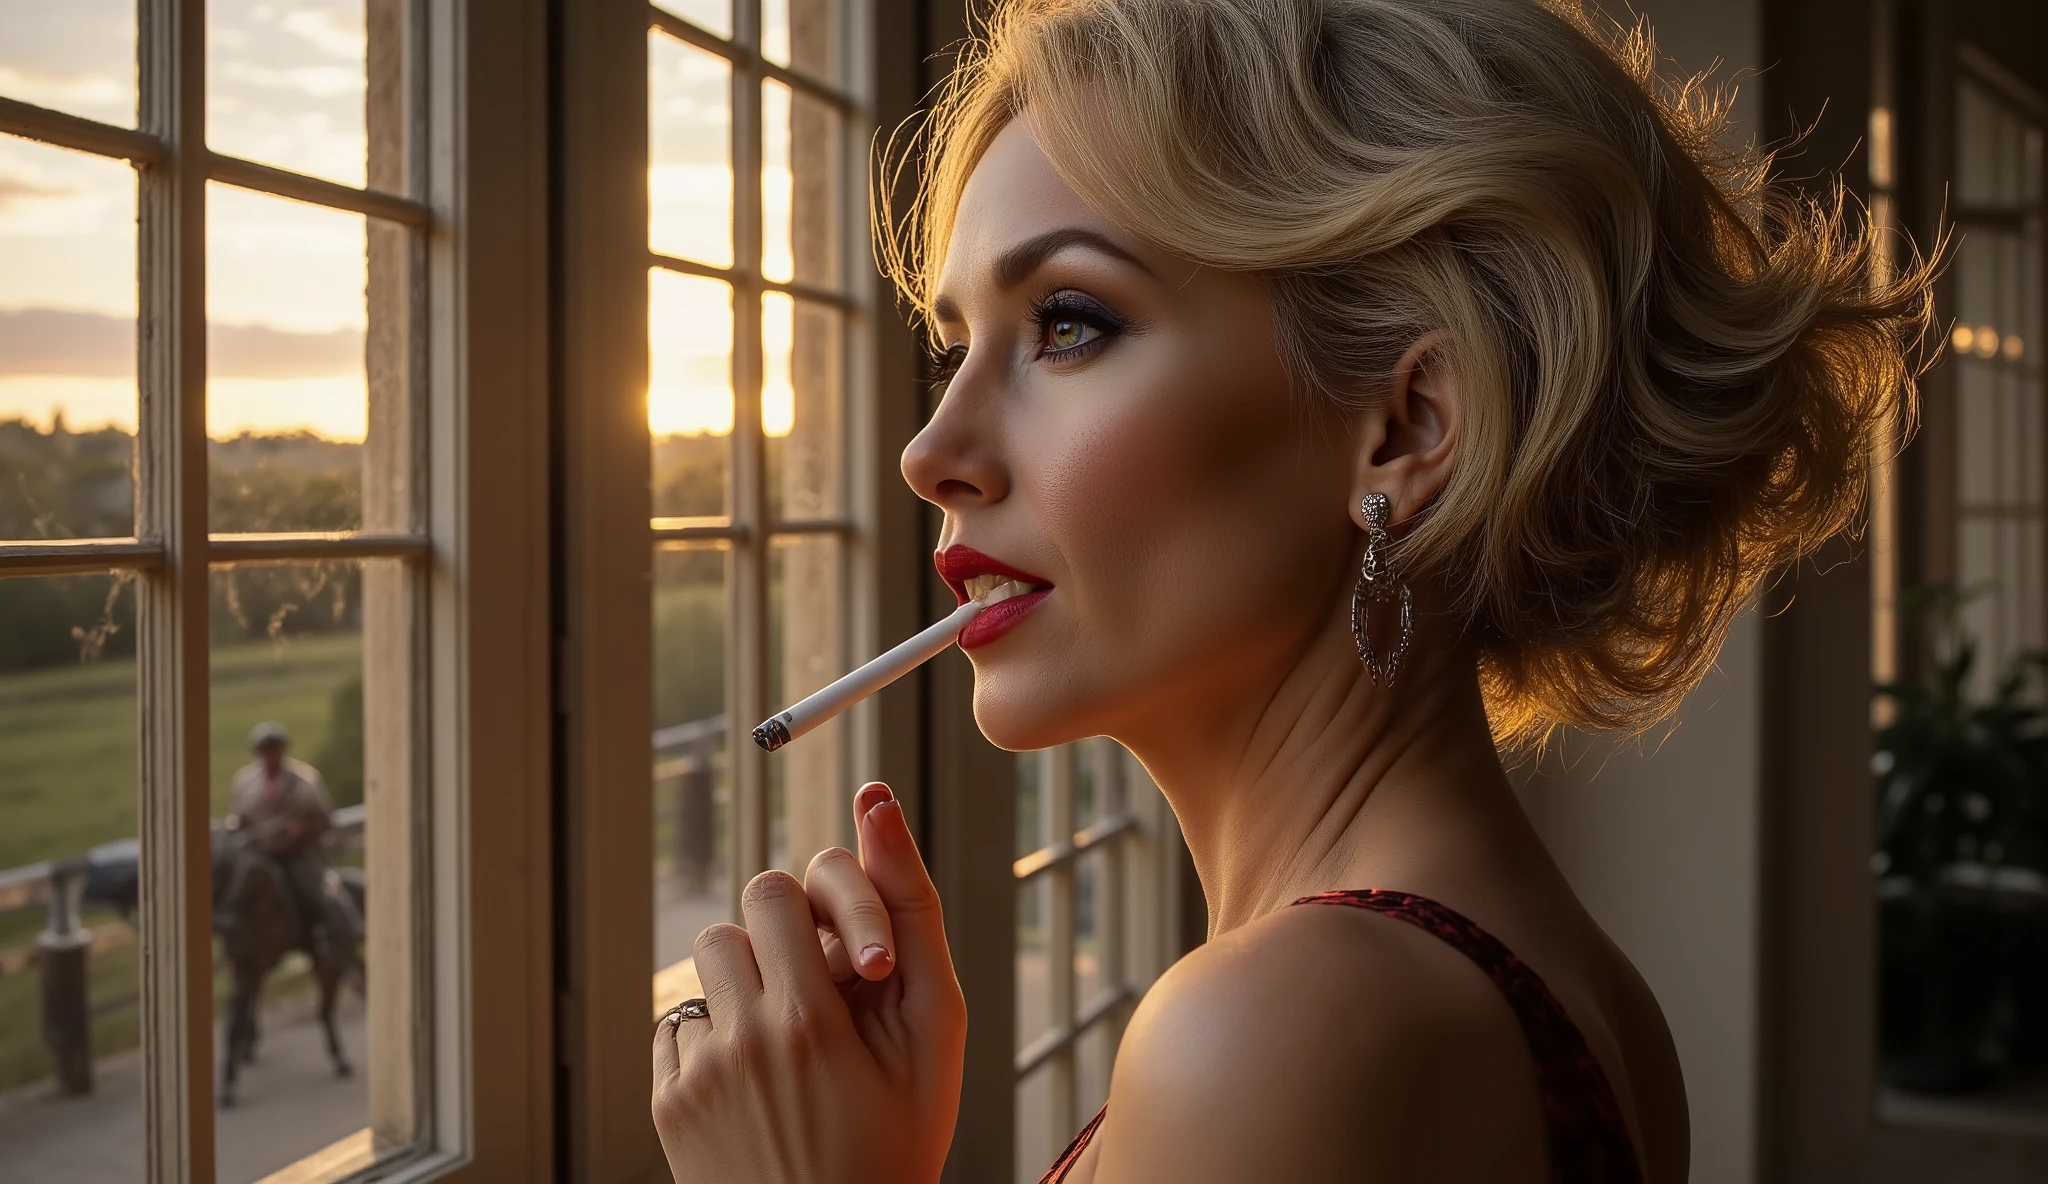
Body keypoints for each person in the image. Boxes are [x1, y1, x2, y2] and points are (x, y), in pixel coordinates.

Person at [649, 1, 1936, 1180]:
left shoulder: (1283, 1032)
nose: (931, 452)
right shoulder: (1542, 978)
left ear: (1405, 428)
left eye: (1068, 323)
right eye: (955, 347)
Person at [225, 722, 352, 955]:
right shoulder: (245, 782)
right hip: (260, 854)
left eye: (274, 748)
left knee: (312, 892)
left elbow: (324, 820)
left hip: (296, 853)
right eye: (265, 749)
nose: (270, 755)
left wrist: (303, 830)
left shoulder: (305, 780)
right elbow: (239, 818)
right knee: (233, 891)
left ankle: (325, 937)